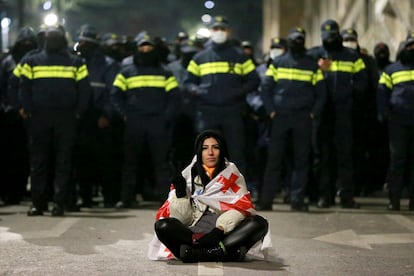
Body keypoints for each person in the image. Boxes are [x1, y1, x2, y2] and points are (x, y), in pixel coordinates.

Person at [150, 129, 269, 262]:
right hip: (193, 235)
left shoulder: (233, 175)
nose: (210, 153)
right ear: (199, 152)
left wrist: (219, 230)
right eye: (205, 148)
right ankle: (224, 253)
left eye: (215, 148)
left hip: (224, 234)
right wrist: (181, 194)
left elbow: (241, 209)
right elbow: (182, 220)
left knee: (259, 223)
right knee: (163, 225)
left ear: (222, 151)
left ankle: (200, 253)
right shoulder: (187, 176)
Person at [20, 25, 91, 216]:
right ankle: (39, 203)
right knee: (42, 162)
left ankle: (57, 202)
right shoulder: (32, 61)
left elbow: (84, 92)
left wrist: (77, 113)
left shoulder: (76, 62)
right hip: (42, 116)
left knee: (60, 162)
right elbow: (24, 87)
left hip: (63, 117)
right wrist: (28, 109)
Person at [257, 27, 326, 211]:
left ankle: (297, 199)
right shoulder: (278, 63)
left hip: (302, 117)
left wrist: (313, 113)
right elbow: (266, 88)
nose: (297, 42)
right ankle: (266, 200)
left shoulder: (311, 65)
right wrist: (271, 111)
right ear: (289, 41)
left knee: (301, 160)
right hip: (280, 117)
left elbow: (321, 93)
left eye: (300, 39)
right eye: (294, 39)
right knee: (274, 160)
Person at [184, 16, 260, 179]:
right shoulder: (200, 57)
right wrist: (199, 91)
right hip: (207, 111)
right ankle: (206, 191)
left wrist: (238, 92)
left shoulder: (239, 56)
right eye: (216, 29)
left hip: (233, 111)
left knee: (236, 153)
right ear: (211, 32)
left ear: (228, 32)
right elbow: (188, 83)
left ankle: (238, 193)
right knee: (207, 154)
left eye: (222, 29)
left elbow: (254, 80)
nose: (219, 32)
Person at [110, 34, 179, 207]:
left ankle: (167, 200)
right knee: (130, 162)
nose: (146, 50)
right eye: (143, 46)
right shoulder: (127, 72)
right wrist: (124, 114)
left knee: (161, 162)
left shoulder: (165, 72)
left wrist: (165, 117)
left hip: (157, 121)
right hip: (135, 120)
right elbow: (115, 95)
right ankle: (127, 198)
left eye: (149, 47)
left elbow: (174, 97)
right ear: (137, 48)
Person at [308, 19, 368, 209]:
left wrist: (349, 97)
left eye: (332, 36)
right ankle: (325, 196)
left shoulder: (351, 56)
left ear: (338, 35)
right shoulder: (315, 55)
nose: (329, 39)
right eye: (326, 36)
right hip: (322, 113)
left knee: (345, 155)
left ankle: (347, 196)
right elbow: (305, 81)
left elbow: (362, 82)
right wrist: (318, 69)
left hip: (343, 112)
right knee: (323, 156)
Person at [73, 24, 122, 208]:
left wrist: (107, 114)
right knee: (82, 159)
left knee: (105, 160)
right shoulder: (76, 61)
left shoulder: (107, 64)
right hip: (81, 116)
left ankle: (110, 197)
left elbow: (113, 92)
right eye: (81, 42)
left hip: (100, 117)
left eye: (86, 42)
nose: (82, 45)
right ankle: (85, 196)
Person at [0, 26, 37, 205]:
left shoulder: (36, 61)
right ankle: (12, 191)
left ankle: (23, 189)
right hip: (12, 116)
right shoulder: (8, 62)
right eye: (24, 43)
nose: (27, 46)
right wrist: (9, 109)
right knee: (12, 156)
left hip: (33, 115)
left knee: (30, 156)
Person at [377, 33, 414, 211]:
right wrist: (385, 115)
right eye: (410, 46)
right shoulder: (392, 70)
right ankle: (394, 199)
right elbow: (382, 94)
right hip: (398, 122)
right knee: (397, 161)